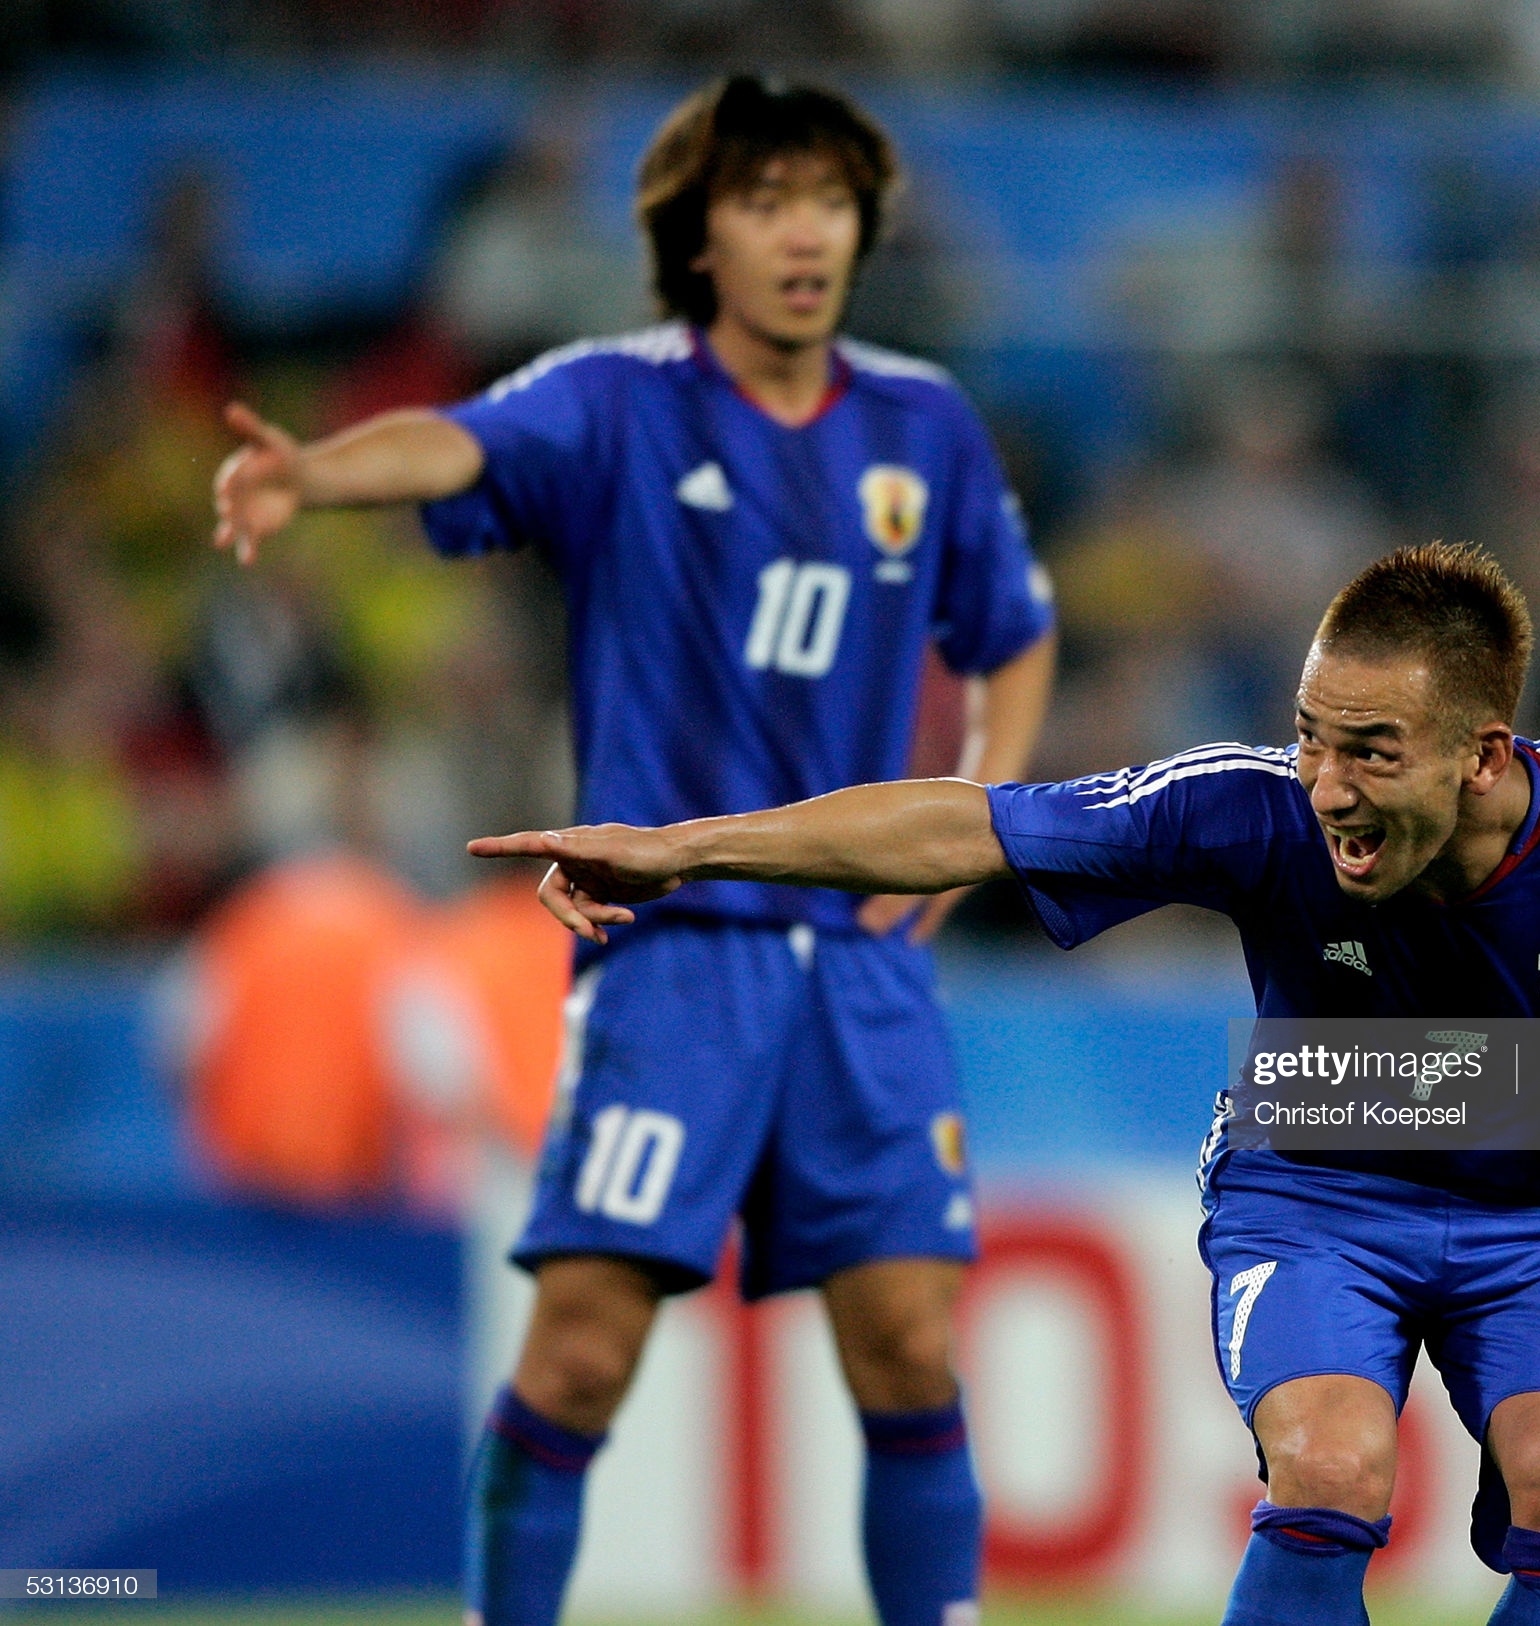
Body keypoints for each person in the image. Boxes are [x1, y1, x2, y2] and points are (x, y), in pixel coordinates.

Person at [471, 542, 1540, 1626]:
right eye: (1313, 732)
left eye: (1373, 749)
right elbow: (964, 827)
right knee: (1329, 1465)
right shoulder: (1247, 802)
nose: (1325, 782)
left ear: (1483, 754)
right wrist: (683, 848)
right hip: (1321, 1192)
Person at [210, 76, 1057, 1626]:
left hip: (858, 969)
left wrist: (975, 821)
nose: (805, 233)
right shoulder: (615, 400)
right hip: (672, 958)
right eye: (765, 200)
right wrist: (318, 473)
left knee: (912, 1345)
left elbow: (1016, 637)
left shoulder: (924, 424)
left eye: (829, 201)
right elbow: (457, 450)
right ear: (698, 236)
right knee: (585, 1350)